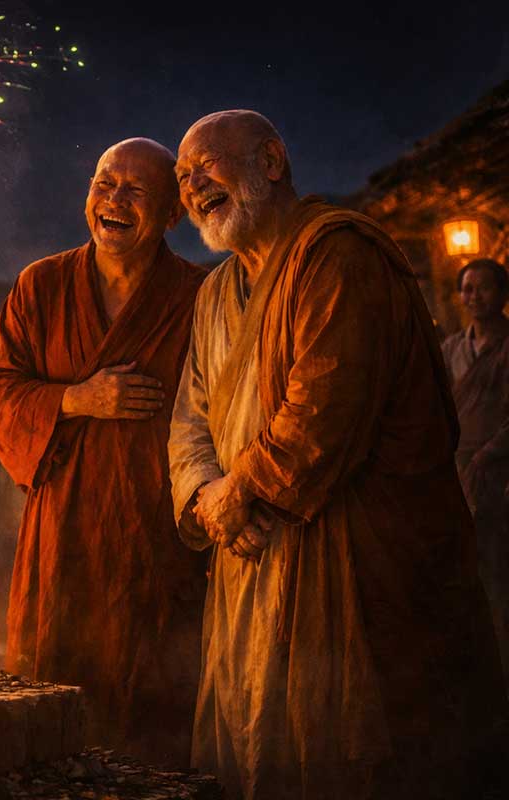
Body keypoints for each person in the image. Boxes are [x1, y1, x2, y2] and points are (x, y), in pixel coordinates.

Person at [168, 109, 506, 799]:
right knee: (260, 744)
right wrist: (205, 494)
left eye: (206, 165)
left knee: (366, 761)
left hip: (350, 569)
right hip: (250, 559)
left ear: (271, 160)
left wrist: (238, 495)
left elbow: (326, 408)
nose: (193, 185)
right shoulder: (212, 295)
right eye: (181, 178)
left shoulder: (340, 255)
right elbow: (188, 421)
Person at [0, 138, 207, 765]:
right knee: (59, 687)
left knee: (158, 691)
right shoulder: (42, 285)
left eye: (136, 191)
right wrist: (78, 398)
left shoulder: (198, 295)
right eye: (105, 183)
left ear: (171, 214)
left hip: (160, 527)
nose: (114, 200)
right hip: (64, 529)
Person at [441, 257, 509, 685]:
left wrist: (489, 453)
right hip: (456, 475)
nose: (474, 297)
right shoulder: (451, 349)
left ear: (502, 295)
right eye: (467, 288)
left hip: (500, 475)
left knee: (498, 572)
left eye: (483, 288)